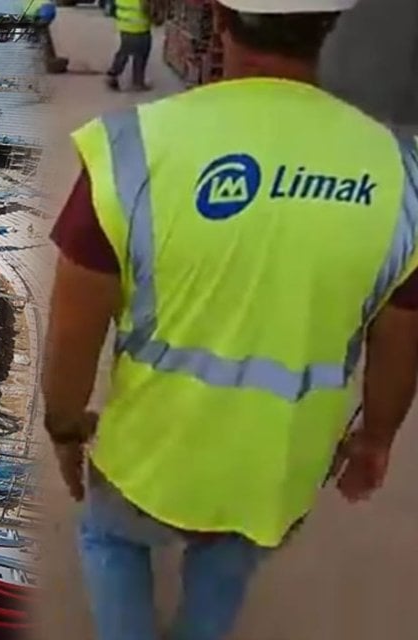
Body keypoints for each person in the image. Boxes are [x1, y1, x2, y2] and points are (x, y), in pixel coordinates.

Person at [43, 1, 418, 639]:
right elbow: (401, 338)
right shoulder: (401, 175)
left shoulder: (132, 150)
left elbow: (74, 328)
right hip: (278, 468)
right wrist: (375, 440)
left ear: (219, 18)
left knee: (112, 542)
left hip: (148, 461)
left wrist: (65, 426)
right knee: (228, 565)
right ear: (331, 26)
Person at [106, 0, 153, 91]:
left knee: (125, 50)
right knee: (141, 54)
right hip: (139, 24)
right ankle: (137, 82)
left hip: (125, 23)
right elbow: (146, 7)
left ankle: (114, 74)